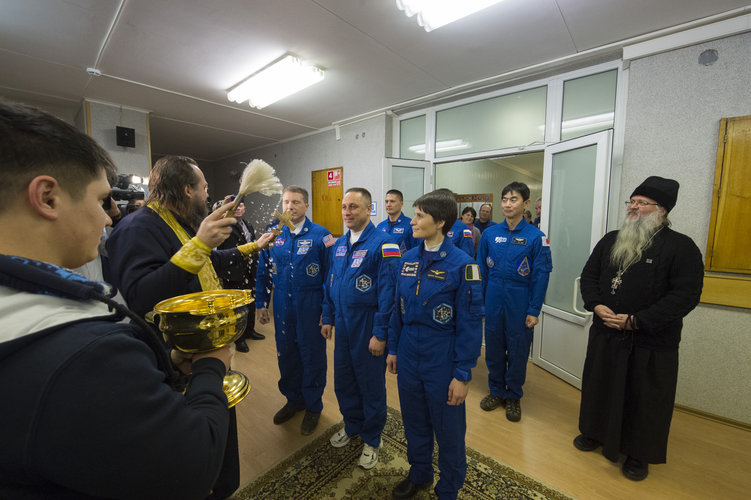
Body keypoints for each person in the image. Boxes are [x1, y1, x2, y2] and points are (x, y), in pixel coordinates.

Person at [0, 100, 235, 499]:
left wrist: (165, 363)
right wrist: (210, 369)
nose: (109, 218)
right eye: (99, 200)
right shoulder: (88, 356)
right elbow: (188, 468)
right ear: (48, 197)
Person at [106, 155, 274, 499]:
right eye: (204, 187)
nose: (207, 193)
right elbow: (140, 296)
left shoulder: (176, 224)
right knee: (199, 449)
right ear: (187, 189)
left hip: (204, 354)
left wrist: (251, 247)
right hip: (174, 361)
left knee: (220, 436)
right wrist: (199, 243)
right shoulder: (137, 228)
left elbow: (208, 261)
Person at [574, 176, 703, 481]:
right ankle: (595, 432)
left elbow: (685, 296)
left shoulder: (681, 248)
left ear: (662, 211)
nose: (633, 207)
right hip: (607, 333)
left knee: (643, 399)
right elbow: (590, 275)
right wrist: (595, 304)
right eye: (631, 201)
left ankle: (638, 454)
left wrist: (638, 320)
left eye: (641, 203)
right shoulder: (611, 240)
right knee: (601, 386)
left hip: (649, 341)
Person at [388, 190, 484, 500]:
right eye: (414, 214)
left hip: (442, 356)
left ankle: (448, 488)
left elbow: (470, 323)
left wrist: (463, 373)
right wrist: (393, 348)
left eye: (419, 216)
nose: (412, 221)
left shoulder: (463, 265)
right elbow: (397, 307)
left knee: (449, 429)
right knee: (414, 420)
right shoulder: (407, 259)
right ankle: (420, 474)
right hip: (409, 351)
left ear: (440, 222)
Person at [321, 187, 401, 469]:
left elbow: (389, 292)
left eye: (354, 207)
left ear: (369, 210)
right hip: (342, 324)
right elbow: (331, 281)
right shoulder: (339, 244)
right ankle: (352, 424)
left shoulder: (385, 243)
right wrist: (327, 315)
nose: (347, 212)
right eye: (344, 207)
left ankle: (372, 438)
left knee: (370, 384)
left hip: (368, 326)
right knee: (344, 379)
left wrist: (381, 334)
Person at [255, 186, 335, 435]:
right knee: (286, 352)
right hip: (281, 303)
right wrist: (260, 303)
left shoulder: (322, 236)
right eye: (286, 202)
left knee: (311, 355)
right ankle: (293, 399)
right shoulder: (273, 234)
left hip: (310, 305)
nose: (290, 207)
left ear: (306, 206)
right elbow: (263, 269)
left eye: (296, 202)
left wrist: (327, 312)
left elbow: (331, 276)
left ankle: (313, 406)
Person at [476, 181, 552, 422]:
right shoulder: (490, 234)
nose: (508, 204)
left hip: (520, 300)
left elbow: (541, 276)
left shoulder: (536, 238)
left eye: (514, 200)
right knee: (494, 348)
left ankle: (514, 395)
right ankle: (496, 391)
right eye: (505, 199)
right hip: (493, 297)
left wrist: (534, 309)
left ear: (526, 204)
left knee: (518, 350)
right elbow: (480, 271)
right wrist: (480, 302)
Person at [218, 197, 265, 353]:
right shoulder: (225, 225)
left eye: (241, 206)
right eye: (235, 206)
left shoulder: (248, 225)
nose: (238, 208)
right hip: (233, 272)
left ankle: (250, 331)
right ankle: (239, 339)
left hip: (249, 271)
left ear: (244, 209)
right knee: (237, 308)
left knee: (250, 302)